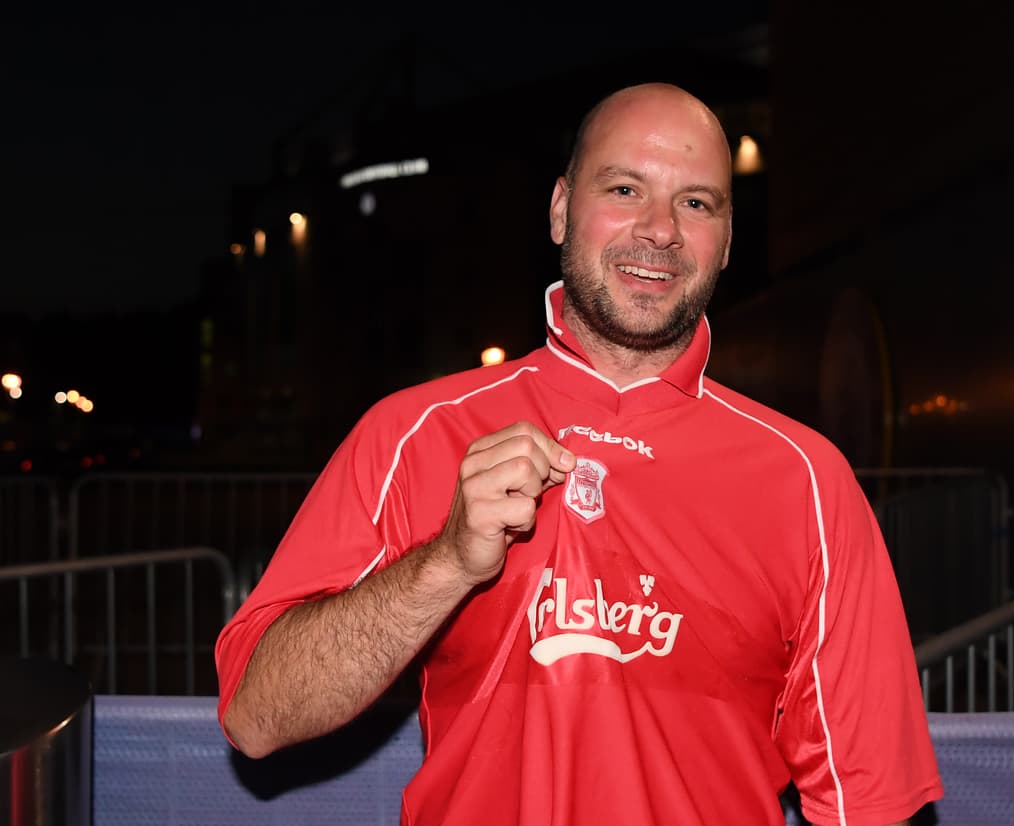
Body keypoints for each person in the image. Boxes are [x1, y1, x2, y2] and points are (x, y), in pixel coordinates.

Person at [215, 82, 943, 826]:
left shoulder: (808, 480)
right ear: (561, 207)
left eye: (697, 203)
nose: (659, 230)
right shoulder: (413, 432)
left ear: (725, 243)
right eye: (625, 188)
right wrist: (446, 563)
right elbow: (257, 716)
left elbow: (869, 801)